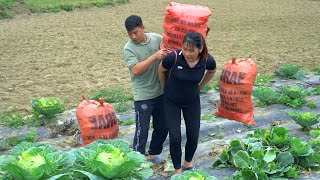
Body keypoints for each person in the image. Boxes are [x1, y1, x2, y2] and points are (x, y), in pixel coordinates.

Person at [158, 31, 217, 174]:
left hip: (192, 101)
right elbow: (161, 69)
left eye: (191, 50)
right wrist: (164, 88)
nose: (187, 53)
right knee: (175, 136)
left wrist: (200, 86)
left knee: (193, 134)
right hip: (172, 101)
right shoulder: (173, 58)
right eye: (185, 49)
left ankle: (188, 162)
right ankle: (177, 169)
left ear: (200, 49)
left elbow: (212, 70)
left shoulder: (207, 60)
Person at [123, 15, 168, 164]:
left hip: (160, 92)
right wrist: (154, 57)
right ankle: (137, 158)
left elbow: (171, 45)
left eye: (136, 32)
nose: (133, 36)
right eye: (130, 34)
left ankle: (153, 153)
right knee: (142, 130)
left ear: (143, 28)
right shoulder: (129, 48)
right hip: (143, 95)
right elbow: (136, 70)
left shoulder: (156, 39)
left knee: (162, 126)